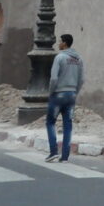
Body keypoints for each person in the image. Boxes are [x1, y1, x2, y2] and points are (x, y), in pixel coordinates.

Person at [45, 33, 84, 163]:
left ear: (65, 43)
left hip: (58, 94)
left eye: (60, 41)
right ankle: (65, 156)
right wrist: (75, 92)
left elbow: (54, 78)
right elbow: (82, 79)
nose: (58, 44)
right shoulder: (79, 59)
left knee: (50, 122)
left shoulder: (59, 57)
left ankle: (53, 152)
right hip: (71, 95)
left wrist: (51, 92)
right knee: (68, 125)